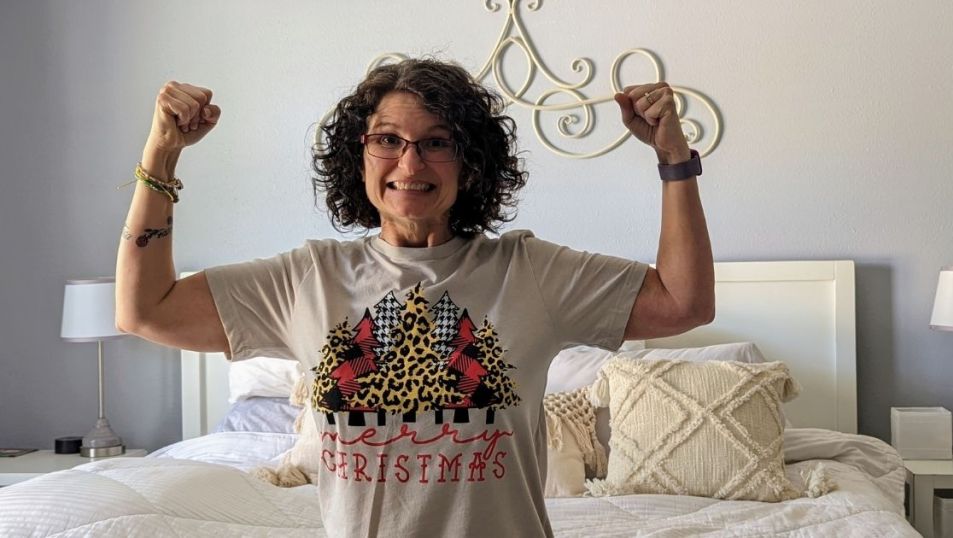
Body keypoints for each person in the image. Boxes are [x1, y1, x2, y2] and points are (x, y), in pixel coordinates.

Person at [115, 58, 714, 538]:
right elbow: (145, 310)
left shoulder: (529, 272)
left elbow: (684, 303)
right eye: (389, 139)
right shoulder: (306, 278)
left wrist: (673, 159)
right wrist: (161, 155)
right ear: (361, 153)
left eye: (437, 142)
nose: (410, 161)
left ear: (471, 162)